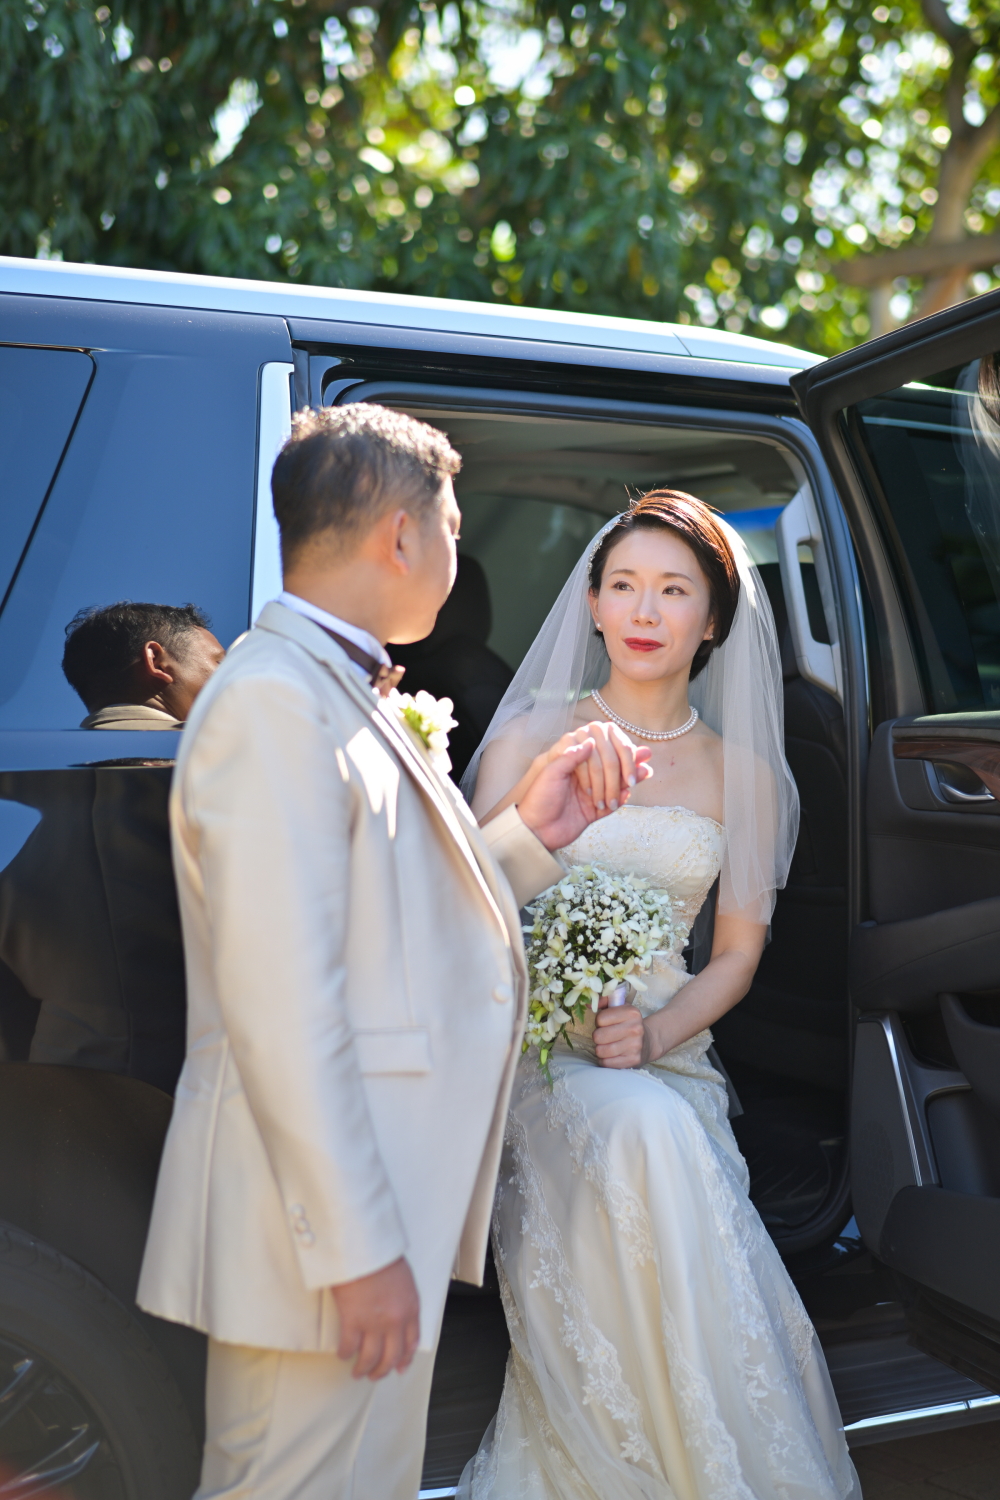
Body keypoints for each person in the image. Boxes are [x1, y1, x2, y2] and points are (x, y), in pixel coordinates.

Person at [135, 403, 651, 1500]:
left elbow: (391, 920)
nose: (458, 555)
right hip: (321, 1237)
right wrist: (358, 1247)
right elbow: (281, 1000)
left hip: (374, 1211)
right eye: (454, 525)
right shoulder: (274, 704)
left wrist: (529, 833)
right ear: (402, 537)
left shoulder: (333, 687)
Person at [460, 491, 860, 1499]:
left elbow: (735, 955)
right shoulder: (530, 740)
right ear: (592, 604)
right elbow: (462, 910)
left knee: (656, 1125)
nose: (645, 610)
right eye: (624, 585)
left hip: (668, 1055)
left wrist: (655, 1032)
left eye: (674, 591)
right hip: (532, 1059)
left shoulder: (745, 776)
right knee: (643, 1133)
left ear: (712, 620)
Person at [62, 601, 224, 728]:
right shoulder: (216, 752)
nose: (230, 675)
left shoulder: (57, 754)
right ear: (157, 662)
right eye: (220, 662)